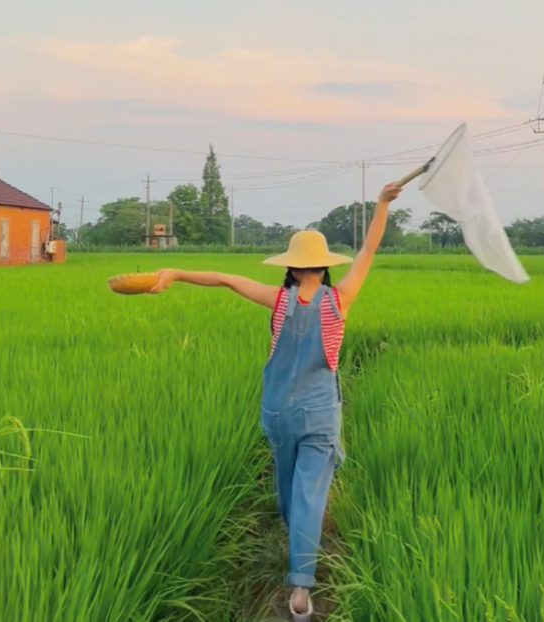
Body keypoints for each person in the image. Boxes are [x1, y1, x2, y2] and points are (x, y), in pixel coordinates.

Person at [148, 182, 402, 620]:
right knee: (309, 492)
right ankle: (301, 589)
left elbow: (227, 280)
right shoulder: (339, 300)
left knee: (287, 488)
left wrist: (174, 272)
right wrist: (380, 204)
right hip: (320, 414)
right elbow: (368, 252)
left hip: (278, 413)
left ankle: (294, 535)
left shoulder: (277, 299)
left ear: (291, 265)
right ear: (323, 265)